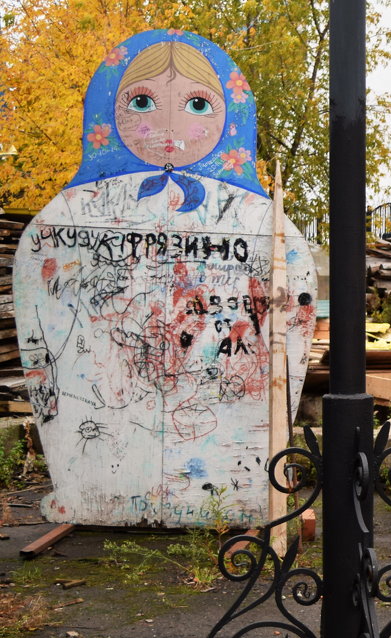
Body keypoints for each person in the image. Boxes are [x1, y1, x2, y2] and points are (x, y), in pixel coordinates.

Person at [14, 30, 317, 528]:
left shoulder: (261, 220)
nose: (168, 125)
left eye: (199, 103)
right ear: (107, 112)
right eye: (139, 101)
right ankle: (88, 491)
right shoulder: (67, 215)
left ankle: (238, 494)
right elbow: (42, 320)